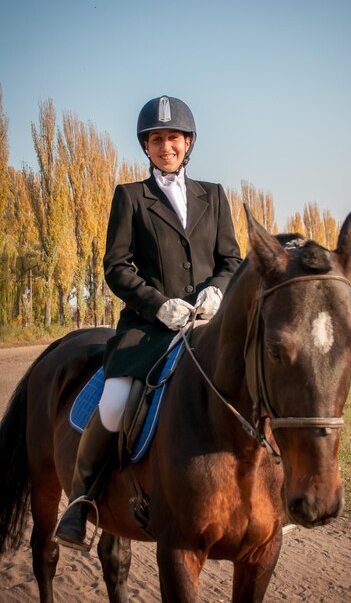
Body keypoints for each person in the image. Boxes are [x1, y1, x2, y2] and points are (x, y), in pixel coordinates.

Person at [55, 95, 242, 550]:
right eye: (156, 139)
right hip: (149, 327)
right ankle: (81, 500)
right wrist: (158, 305)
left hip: (205, 325)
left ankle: (275, 494)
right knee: (116, 402)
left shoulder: (213, 195)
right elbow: (116, 267)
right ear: (147, 146)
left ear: (188, 142)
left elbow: (231, 258)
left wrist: (217, 289)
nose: (165, 146)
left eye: (173, 138)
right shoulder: (130, 197)